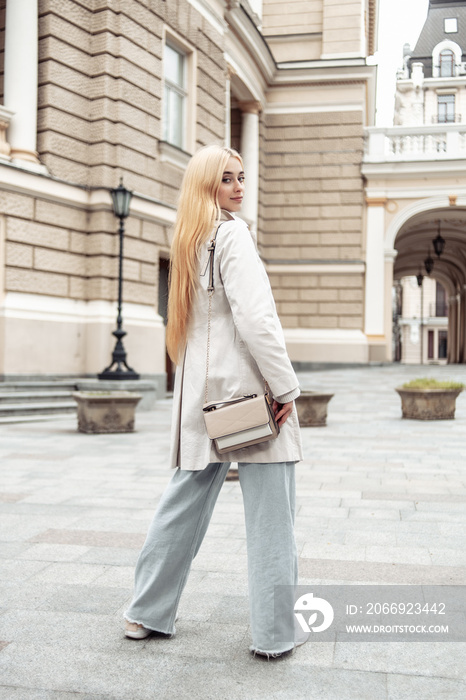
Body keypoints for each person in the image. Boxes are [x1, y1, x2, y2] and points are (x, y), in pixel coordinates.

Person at [124, 144, 304, 658]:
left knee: (181, 504)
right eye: (226, 179)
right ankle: (275, 633)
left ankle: (145, 612)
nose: (239, 187)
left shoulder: (189, 241)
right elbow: (256, 320)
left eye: (242, 176)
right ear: (207, 185)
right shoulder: (232, 235)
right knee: (273, 514)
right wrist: (286, 387)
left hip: (202, 397)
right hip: (251, 392)